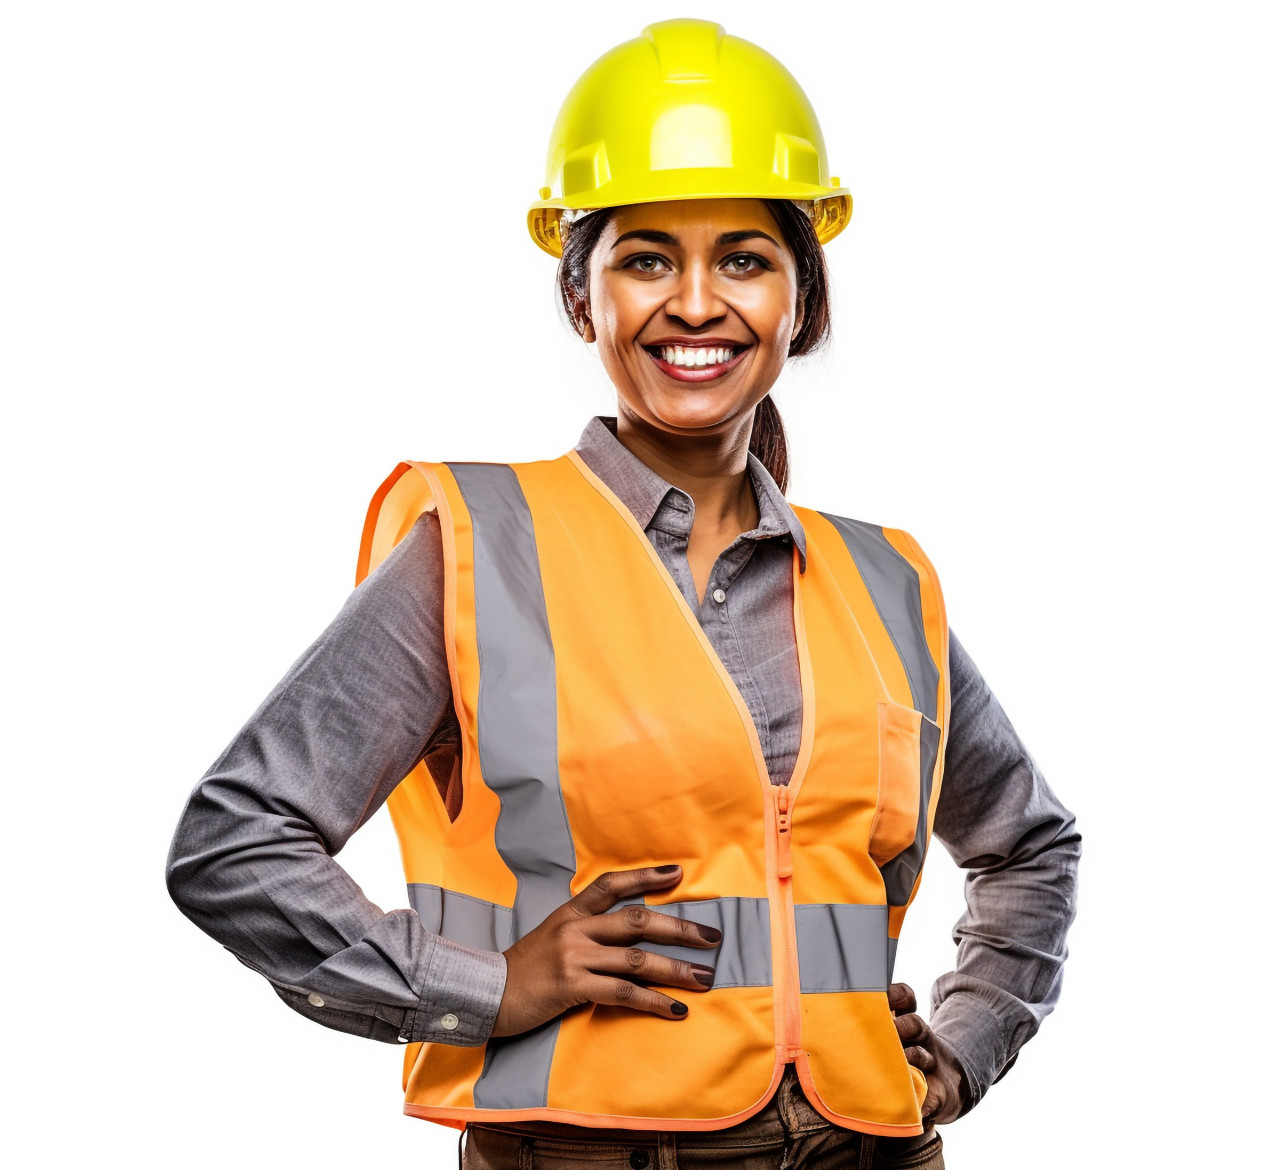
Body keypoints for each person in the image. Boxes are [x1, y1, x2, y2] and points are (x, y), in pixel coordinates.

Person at [166, 18, 1080, 1170]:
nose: (694, 303)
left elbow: (1030, 844)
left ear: (799, 299)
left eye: (743, 258)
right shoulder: (479, 546)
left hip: (872, 1150)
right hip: (589, 1154)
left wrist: (964, 1043)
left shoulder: (885, 582)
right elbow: (234, 842)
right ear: (580, 299)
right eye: (645, 258)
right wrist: (481, 991)